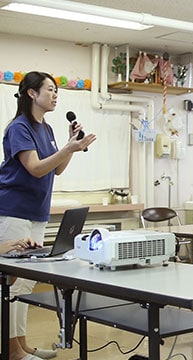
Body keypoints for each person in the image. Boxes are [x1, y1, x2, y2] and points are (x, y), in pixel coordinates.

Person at [0, 71, 96, 360]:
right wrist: (69, 148)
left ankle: (21, 344)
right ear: (31, 93)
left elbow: (56, 169)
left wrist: (70, 146)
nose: (55, 95)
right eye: (50, 90)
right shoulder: (19, 128)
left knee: (26, 282)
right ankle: (12, 350)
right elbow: (35, 168)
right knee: (12, 283)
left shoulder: (48, 129)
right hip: (14, 210)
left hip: (37, 211)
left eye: (57, 91)